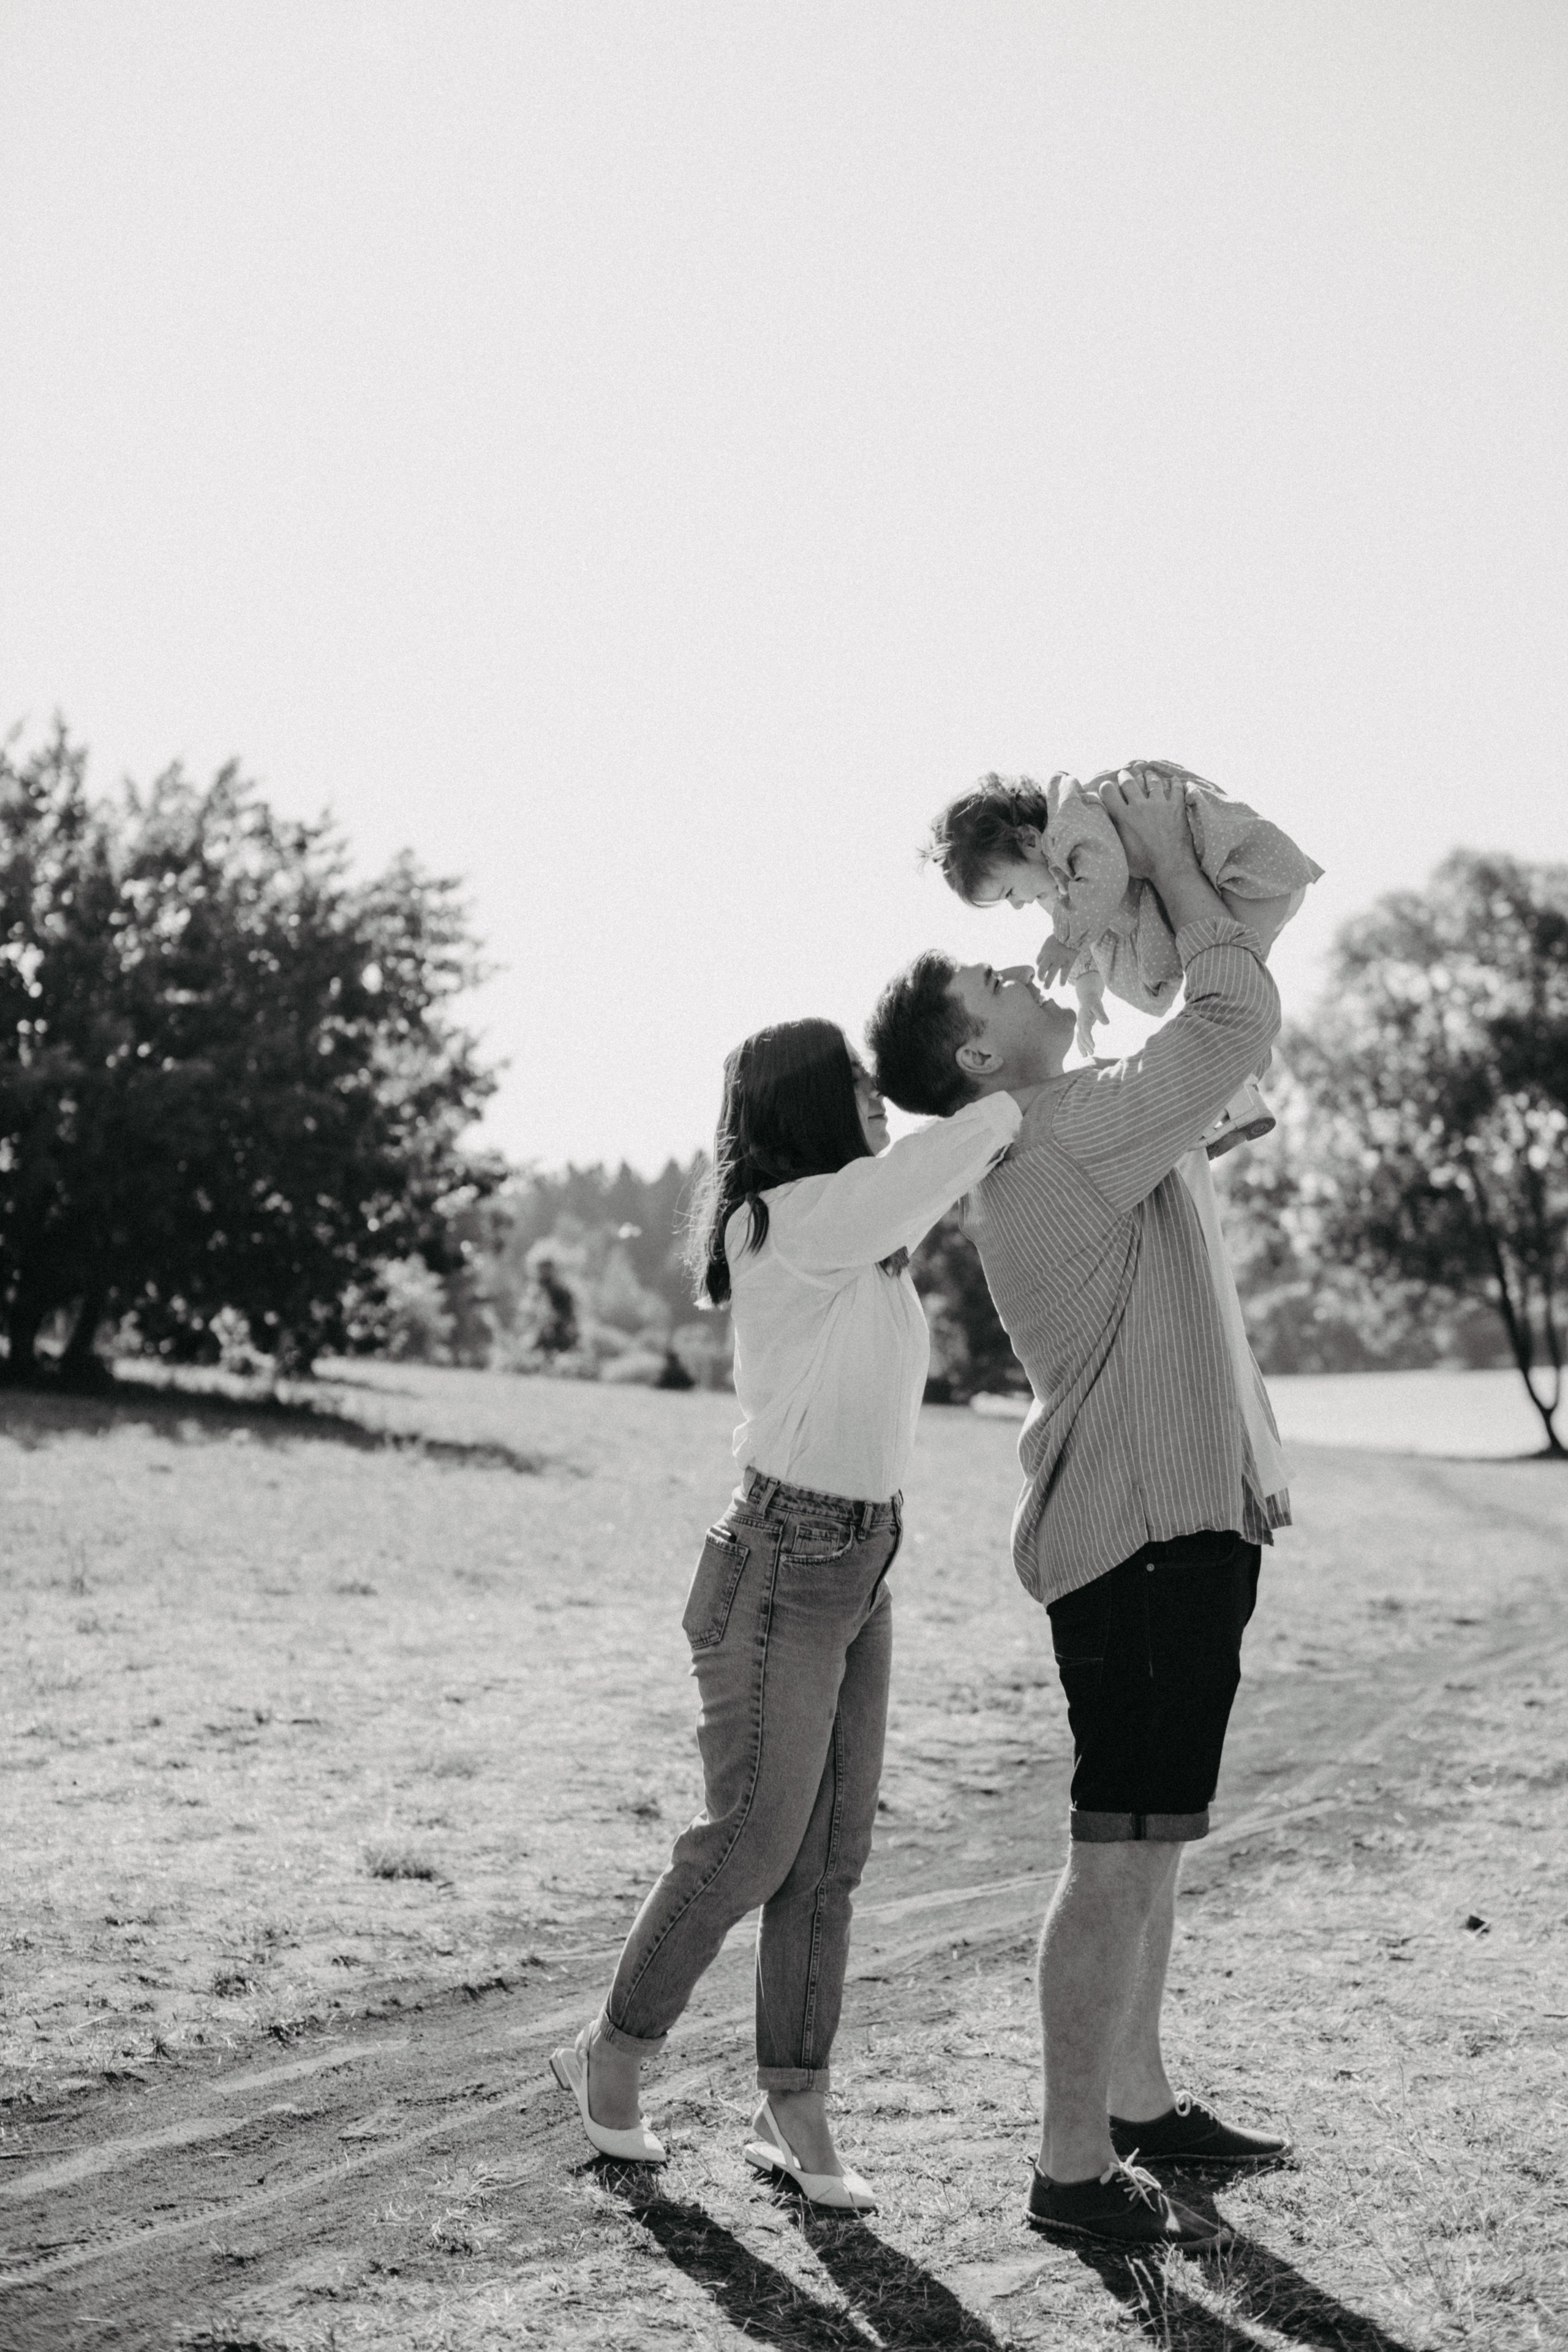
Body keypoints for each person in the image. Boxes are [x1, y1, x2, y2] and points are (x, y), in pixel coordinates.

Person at [867, 766, 1292, 2252]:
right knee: (1110, 1855)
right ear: (976, 1049)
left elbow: (1224, 1100)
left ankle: (1136, 2100)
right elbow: (1235, 1027)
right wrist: (1173, 871)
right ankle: (1064, 2168)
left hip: (1173, 1525)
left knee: (1148, 1842)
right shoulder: (1056, 1128)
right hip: (1142, 1542)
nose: (1030, 955)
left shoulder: (1069, 1126)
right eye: (997, 968)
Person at [551, 1018, 1021, 2208]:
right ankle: (610, 2052)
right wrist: (1013, 1092)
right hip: (779, 1562)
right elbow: (939, 1161)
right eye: (858, 1085)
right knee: (752, 1843)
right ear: (810, 1100)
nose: (878, 1102)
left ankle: (792, 2105)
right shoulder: (784, 1221)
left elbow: (924, 1182)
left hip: (861, 1561)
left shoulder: (857, 1235)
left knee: (827, 1859)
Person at [922, 759, 1321, 1155]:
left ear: (1029, 840)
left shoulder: (1071, 822)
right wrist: (1087, 988)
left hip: (1243, 869)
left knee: (1224, 983)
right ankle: (1241, 1093)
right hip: (1239, 883)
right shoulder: (1060, 878)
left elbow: (1106, 876)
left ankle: (1235, 1089)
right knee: (1228, 984)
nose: (1018, 906)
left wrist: (1066, 940)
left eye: (1009, 893)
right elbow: (1085, 925)